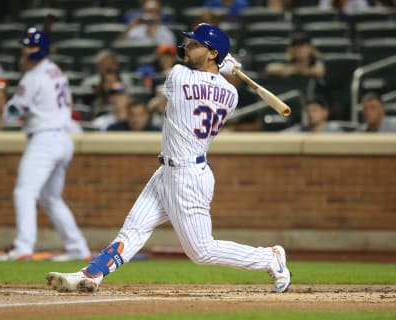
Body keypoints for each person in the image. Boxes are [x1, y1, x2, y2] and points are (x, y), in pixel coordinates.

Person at [46, 23, 291, 293]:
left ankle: (269, 258)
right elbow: (211, 83)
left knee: (202, 251)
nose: (186, 47)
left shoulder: (177, 76)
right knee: (132, 232)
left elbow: (189, 77)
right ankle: (91, 275)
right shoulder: (231, 95)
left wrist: (222, 66)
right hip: (169, 172)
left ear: (211, 53)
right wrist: (222, 67)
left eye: (195, 44)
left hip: (188, 178)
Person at [0, 27, 91, 262]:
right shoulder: (55, 70)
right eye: (26, 47)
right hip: (62, 138)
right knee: (50, 198)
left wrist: (0, 104)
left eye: (30, 47)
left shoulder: (32, 77)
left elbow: (12, 112)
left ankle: (23, 246)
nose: (26, 51)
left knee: (24, 192)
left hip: (45, 139)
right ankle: (78, 248)